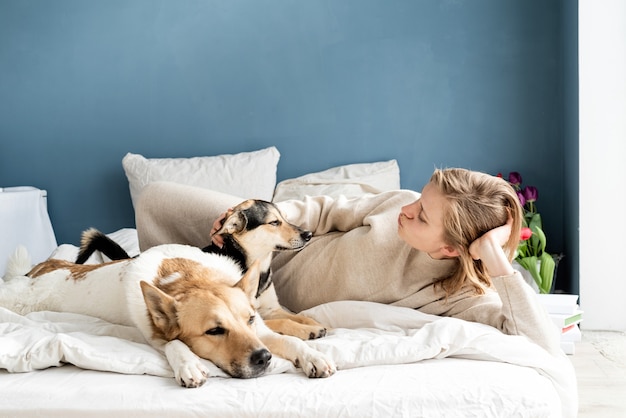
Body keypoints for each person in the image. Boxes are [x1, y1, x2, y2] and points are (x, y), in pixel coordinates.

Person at [135, 168, 561, 356]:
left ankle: (179, 304)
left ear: (452, 249)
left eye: (423, 216)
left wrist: (497, 262)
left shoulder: (459, 297)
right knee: (156, 198)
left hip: (267, 303)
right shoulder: (398, 203)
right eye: (418, 200)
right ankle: (165, 275)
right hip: (274, 248)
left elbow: (541, 343)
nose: (407, 210)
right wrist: (257, 223)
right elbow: (321, 211)